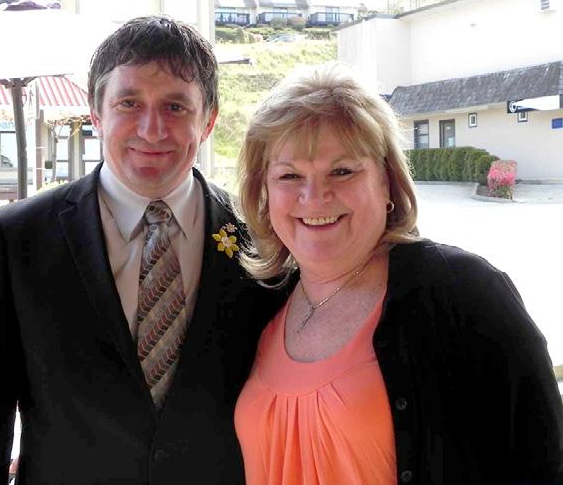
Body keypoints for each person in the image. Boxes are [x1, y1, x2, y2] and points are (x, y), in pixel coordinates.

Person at [0, 16, 283, 485]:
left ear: (209, 121)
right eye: (129, 103)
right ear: (96, 114)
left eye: (176, 106)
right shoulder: (15, 240)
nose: (152, 130)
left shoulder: (262, 238)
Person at [234, 62, 563, 485]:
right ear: (263, 191)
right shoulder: (260, 303)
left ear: (387, 180)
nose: (314, 196)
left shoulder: (464, 294)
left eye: (342, 170)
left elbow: (544, 462)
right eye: (289, 175)